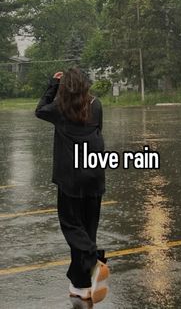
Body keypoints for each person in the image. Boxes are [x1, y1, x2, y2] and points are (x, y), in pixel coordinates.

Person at [35, 67, 109, 304]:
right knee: (87, 229)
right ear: (86, 85)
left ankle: (94, 258)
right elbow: (98, 130)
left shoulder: (59, 109)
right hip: (95, 175)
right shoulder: (96, 105)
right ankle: (81, 286)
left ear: (65, 87)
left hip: (71, 179)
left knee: (72, 227)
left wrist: (53, 84)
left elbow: (39, 110)